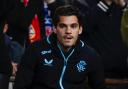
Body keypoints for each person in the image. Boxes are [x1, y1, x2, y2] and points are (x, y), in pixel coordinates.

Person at [14, 5, 107, 89]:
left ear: (80, 29)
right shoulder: (35, 49)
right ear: (54, 28)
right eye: (63, 26)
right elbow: (20, 86)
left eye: (73, 26)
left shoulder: (91, 56)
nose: (68, 31)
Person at [84, 0, 128, 78]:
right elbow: (83, 26)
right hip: (99, 76)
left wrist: (124, 6)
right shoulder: (83, 3)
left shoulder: (121, 4)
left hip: (124, 73)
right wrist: (106, 3)